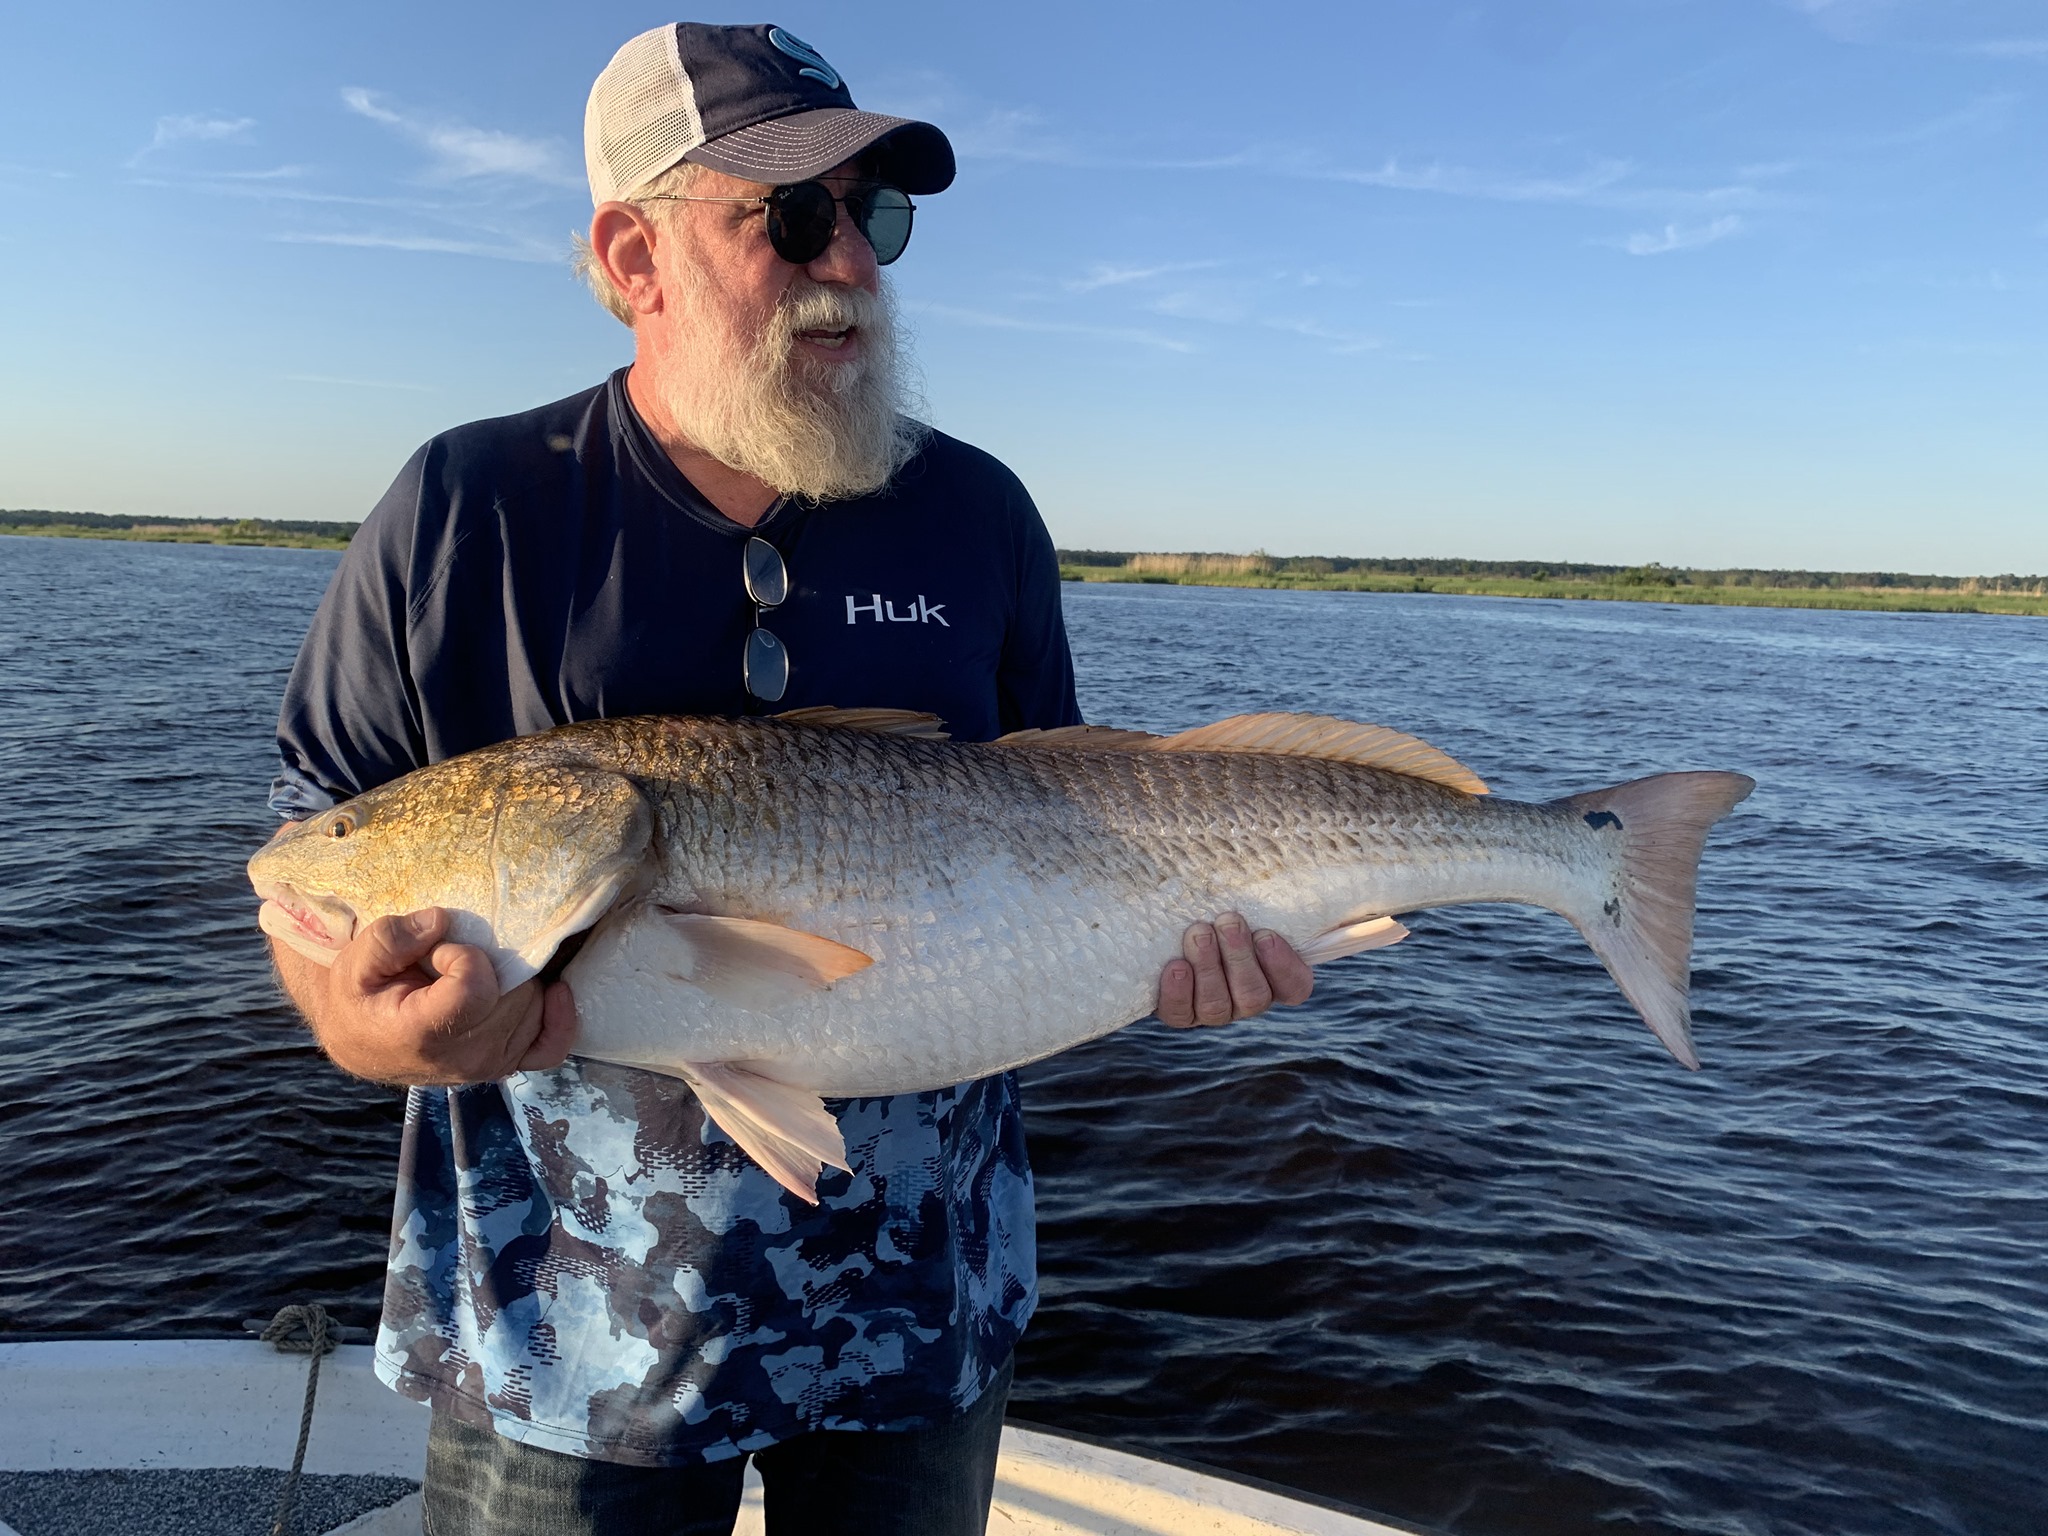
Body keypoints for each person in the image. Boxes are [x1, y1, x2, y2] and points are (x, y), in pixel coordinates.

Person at [264, 22, 1313, 1535]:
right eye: (796, 217)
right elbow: (314, 868)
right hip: (572, 1348)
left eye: (876, 215)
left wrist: (1193, 951)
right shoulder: (465, 510)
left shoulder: (979, 511)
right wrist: (372, 1033)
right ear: (634, 255)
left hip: (920, 1320)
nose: (857, 267)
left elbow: (1075, 819)